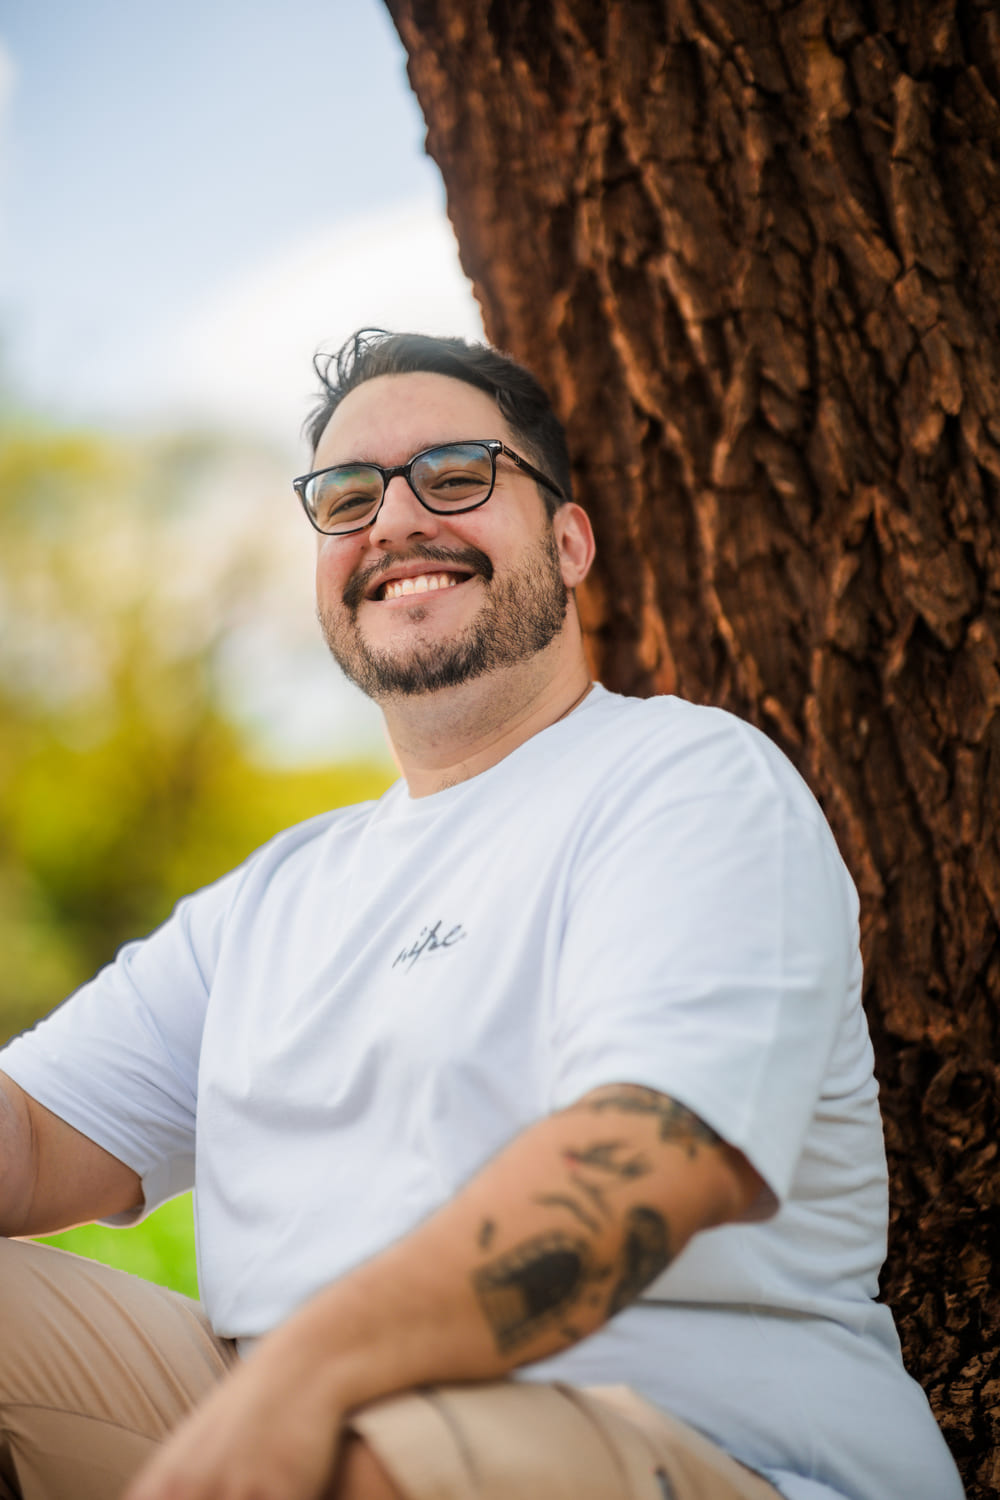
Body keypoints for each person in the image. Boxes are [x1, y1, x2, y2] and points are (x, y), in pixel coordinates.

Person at [0, 331, 964, 1500]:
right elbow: (36, 1140)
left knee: (370, 1461)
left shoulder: (689, 782)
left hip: (695, 1453)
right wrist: (289, 1394)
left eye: (456, 474)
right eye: (348, 496)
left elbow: (642, 1170)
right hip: (283, 1422)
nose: (395, 521)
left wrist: (307, 1376)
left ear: (567, 539)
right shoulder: (271, 899)